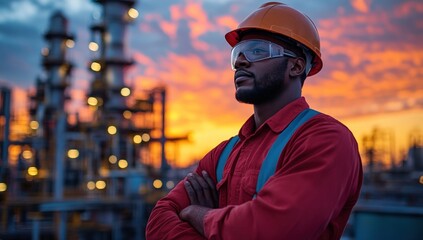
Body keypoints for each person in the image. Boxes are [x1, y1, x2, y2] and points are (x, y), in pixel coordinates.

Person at [146, 2, 362, 239]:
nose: (240, 62)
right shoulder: (224, 154)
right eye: (237, 54)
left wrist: (198, 213)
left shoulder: (325, 140)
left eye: (258, 51)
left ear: (296, 66)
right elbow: (158, 220)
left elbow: (268, 230)